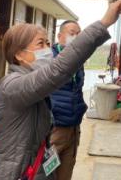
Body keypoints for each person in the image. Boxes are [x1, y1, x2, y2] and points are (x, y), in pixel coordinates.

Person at [0, 0, 121, 180]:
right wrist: (103, 23)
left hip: (37, 167)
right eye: (41, 44)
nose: (47, 50)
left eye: (48, 43)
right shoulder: (12, 85)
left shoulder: (31, 83)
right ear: (19, 55)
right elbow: (57, 70)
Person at [49, 20, 85, 180]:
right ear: (59, 35)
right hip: (55, 130)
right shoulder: (49, 59)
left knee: (65, 173)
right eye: (72, 33)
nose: (76, 37)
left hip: (73, 129)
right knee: (47, 172)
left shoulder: (78, 60)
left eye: (78, 34)